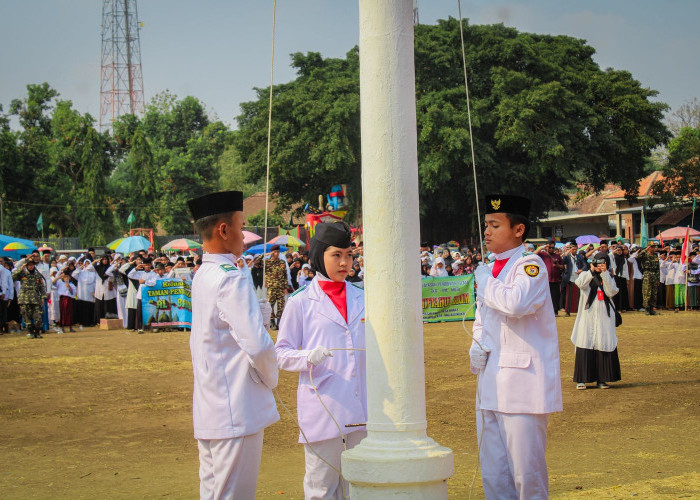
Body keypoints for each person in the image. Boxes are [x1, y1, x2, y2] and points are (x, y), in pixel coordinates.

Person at [469, 194, 562, 500]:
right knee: (494, 473)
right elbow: (484, 318)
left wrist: (483, 279)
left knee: (526, 475)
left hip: (523, 385)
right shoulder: (492, 269)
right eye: (487, 225)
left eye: (495, 224)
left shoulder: (529, 265)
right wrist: (477, 343)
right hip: (492, 382)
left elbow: (515, 303)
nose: (487, 232)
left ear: (518, 230)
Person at [187, 191, 279, 500]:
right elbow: (256, 345)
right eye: (241, 226)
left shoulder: (205, 273)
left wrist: (257, 313)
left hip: (212, 404)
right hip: (236, 405)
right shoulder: (231, 276)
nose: (245, 235)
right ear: (224, 230)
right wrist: (271, 377)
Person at [275, 222, 366, 500]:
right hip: (324, 406)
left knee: (360, 486)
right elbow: (281, 353)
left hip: (362, 409)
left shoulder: (363, 297)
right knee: (322, 487)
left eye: (349, 255)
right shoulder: (300, 302)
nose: (344, 263)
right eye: (336, 255)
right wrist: (306, 357)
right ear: (319, 256)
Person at [570, 253, 621, 389]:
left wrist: (605, 273)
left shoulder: (608, 277)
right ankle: (582, 379)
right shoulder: (586, 275)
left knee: (603, 343)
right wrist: (591, 270)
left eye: (603, 263)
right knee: (585, 343)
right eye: (598, 263)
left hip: (604, 317)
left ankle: (602, 379)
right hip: (588, 317)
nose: (600, 265)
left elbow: (612, 292)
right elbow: (580, 284)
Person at [12, 258, 47, 339]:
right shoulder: (22, 274)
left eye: (32, 265)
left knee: (38, 317)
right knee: (27, 317)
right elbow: (13, 276)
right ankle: (31, 332)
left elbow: (42, 287)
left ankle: (37, 332)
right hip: (25, 299)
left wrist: (42, 297)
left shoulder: (37, 275)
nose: (31, 267)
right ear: (26, 266)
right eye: (29, 265)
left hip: (36, 299)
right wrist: (21, 268)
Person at [537, 239, 564, 315]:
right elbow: (534, 253)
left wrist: (558, 265)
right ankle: (546, 311)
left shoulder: (557, 256)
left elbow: (563, 266)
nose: (551, 249)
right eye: (550, 247)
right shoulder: (543, 254)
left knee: (555, 296)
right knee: (546, 296)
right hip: (546, 279)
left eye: (553, 247)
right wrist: (543, 247)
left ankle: (555, 311)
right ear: (546, 247)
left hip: (556, 279)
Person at [264, 245, 288, 330]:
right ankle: (272, 322)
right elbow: (256, 263)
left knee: (281, 305)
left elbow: (285, 275)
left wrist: (285, 287)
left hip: (281, 287)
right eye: (275, 252)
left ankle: (279, 322)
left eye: (278, 252)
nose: (276, 253)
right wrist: (265, 254)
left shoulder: (282, 262)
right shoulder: (267, 262)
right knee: (270, 305)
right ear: (272, 252)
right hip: (271, 287)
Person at [635, 242, 661, 315]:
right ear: (648, 247)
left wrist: (658, 279)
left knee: (654, 293)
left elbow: (658, 268)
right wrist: (645, 250)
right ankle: (646, 308)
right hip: (647, 274)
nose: (654, 248)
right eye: (652, 247)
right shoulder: (644, 254)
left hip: (654, 274)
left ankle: (651, 309)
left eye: (654, 247)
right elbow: (637, 257)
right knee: (647, 292)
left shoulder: (655, 255)